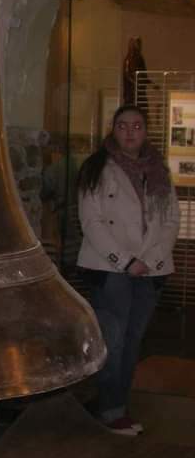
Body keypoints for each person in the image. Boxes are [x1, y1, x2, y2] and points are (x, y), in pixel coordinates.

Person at [77, 104, 179, 435]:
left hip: (150, 270)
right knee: (114, 340)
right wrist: (124, 260)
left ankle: (118, 404)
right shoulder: (96, 167)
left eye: (136, 126)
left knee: (133, 341)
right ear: (113, 129)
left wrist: (151, 258)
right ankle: (110, 410)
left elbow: (170, 220)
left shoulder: (158, 170)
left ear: (146, 130)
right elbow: (91, 221)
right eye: (123, 126)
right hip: (111, 270)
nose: (130, 132)